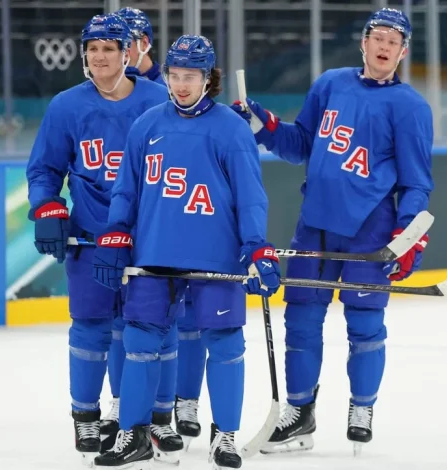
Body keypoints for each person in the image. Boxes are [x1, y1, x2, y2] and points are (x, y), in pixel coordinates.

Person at [230, 7, 433, 455]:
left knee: (365, 325)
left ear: (402, 52)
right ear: (363, 42)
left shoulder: (410, 107)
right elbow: (302, 143)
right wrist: (264, 126)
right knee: (301, 321)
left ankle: (362, 406)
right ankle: (300, 413)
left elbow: (417, 182)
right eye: (377, 37)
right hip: (315, 225)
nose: (384, 46)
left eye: (393, 41)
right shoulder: (329, 84)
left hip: (370, 231)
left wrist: (408, 233)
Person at [91, 34, 281, 470]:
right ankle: (133, 435)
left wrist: (256, 247)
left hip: (215, 256)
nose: (179, 85)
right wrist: (116, 232)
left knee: (226, 343)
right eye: (174, 75)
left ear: (208, 78)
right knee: (140, 340)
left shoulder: (231, 129)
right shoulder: (147, 124)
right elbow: (127, 188)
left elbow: (251, 197)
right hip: (155, 253)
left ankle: (225, 438)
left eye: (189, 77)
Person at [25, 13, 170, 466]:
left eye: (109, 47)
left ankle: (138, 419)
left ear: (129, 53)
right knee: (90, 328)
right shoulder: (67, 106)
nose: (100, 56)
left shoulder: (159, 100)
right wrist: (47, 206)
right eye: (93, 48)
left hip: (147, 240)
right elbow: (44, 169)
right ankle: (84, 415)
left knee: (144, 331)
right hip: (90, 239)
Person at [93, 8, 195, 458]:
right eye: (117, 42)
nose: (122, 49)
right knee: (122, 326)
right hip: (121, 229)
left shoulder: (169, 92)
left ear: (145, 45)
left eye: (130, 41)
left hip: (165, 230)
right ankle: (123, 407)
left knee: (172, 327)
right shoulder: (99, 94)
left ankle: (171, 410)